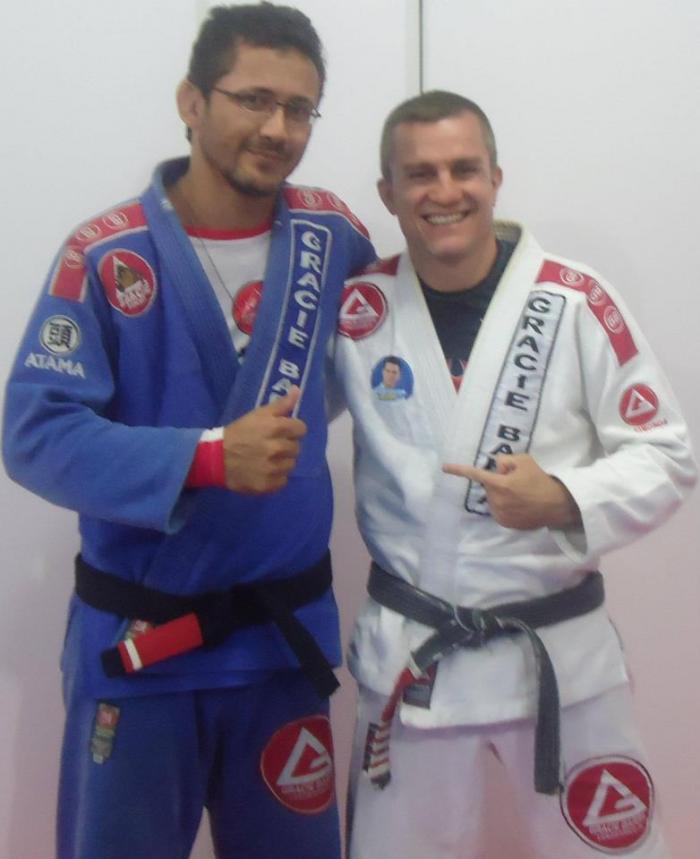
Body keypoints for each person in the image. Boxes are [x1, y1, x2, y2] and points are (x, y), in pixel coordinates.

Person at [2, 5, 374, 859]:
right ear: (192, 101)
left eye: (300, 109)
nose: (277, 128)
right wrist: (206, 458)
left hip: (279, 651)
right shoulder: (106, 254)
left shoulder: (332, 238)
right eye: (254, 99)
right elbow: (35, 432)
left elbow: (398, 347)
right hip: (143, 651)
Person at [327, 90, 695, 858]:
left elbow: (667, 452)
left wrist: (563, 496)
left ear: (496, 177)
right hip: (415, 662)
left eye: (464, 168)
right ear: (388, 192)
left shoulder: (574, 300)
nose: (445, 190)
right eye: (420, 173)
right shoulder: (359, 311)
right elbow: (284, 426)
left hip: (560, 658)